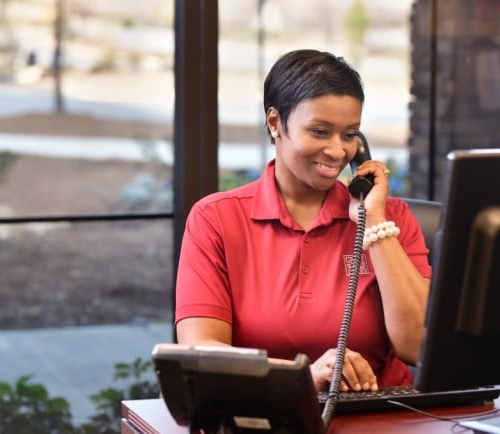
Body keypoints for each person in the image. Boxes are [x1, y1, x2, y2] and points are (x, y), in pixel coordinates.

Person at [174, 49, 431, 392]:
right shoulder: (216, 219)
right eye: (320, 131)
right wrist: (301, 377)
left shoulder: (390, 219)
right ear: (275, 123)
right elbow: (200, 351)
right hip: (261, 416)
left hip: (378, 418)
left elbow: (418, 345)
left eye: (350, 134)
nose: (339, 152)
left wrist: (374, 226)